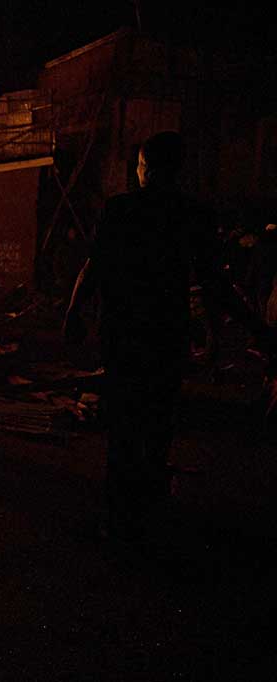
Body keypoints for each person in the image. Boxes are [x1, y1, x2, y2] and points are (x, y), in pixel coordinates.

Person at [63, 131, 263, 541]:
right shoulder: (194, 215)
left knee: (123, 428)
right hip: (165, 336)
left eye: (138, 165)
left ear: (146, 169)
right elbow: (214, 285)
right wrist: (240, 330)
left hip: (122, 334)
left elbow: (94, 266)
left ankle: (119, 519)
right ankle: (148, 514)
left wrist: (73, 311)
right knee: (156, 426)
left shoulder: (120, 209)